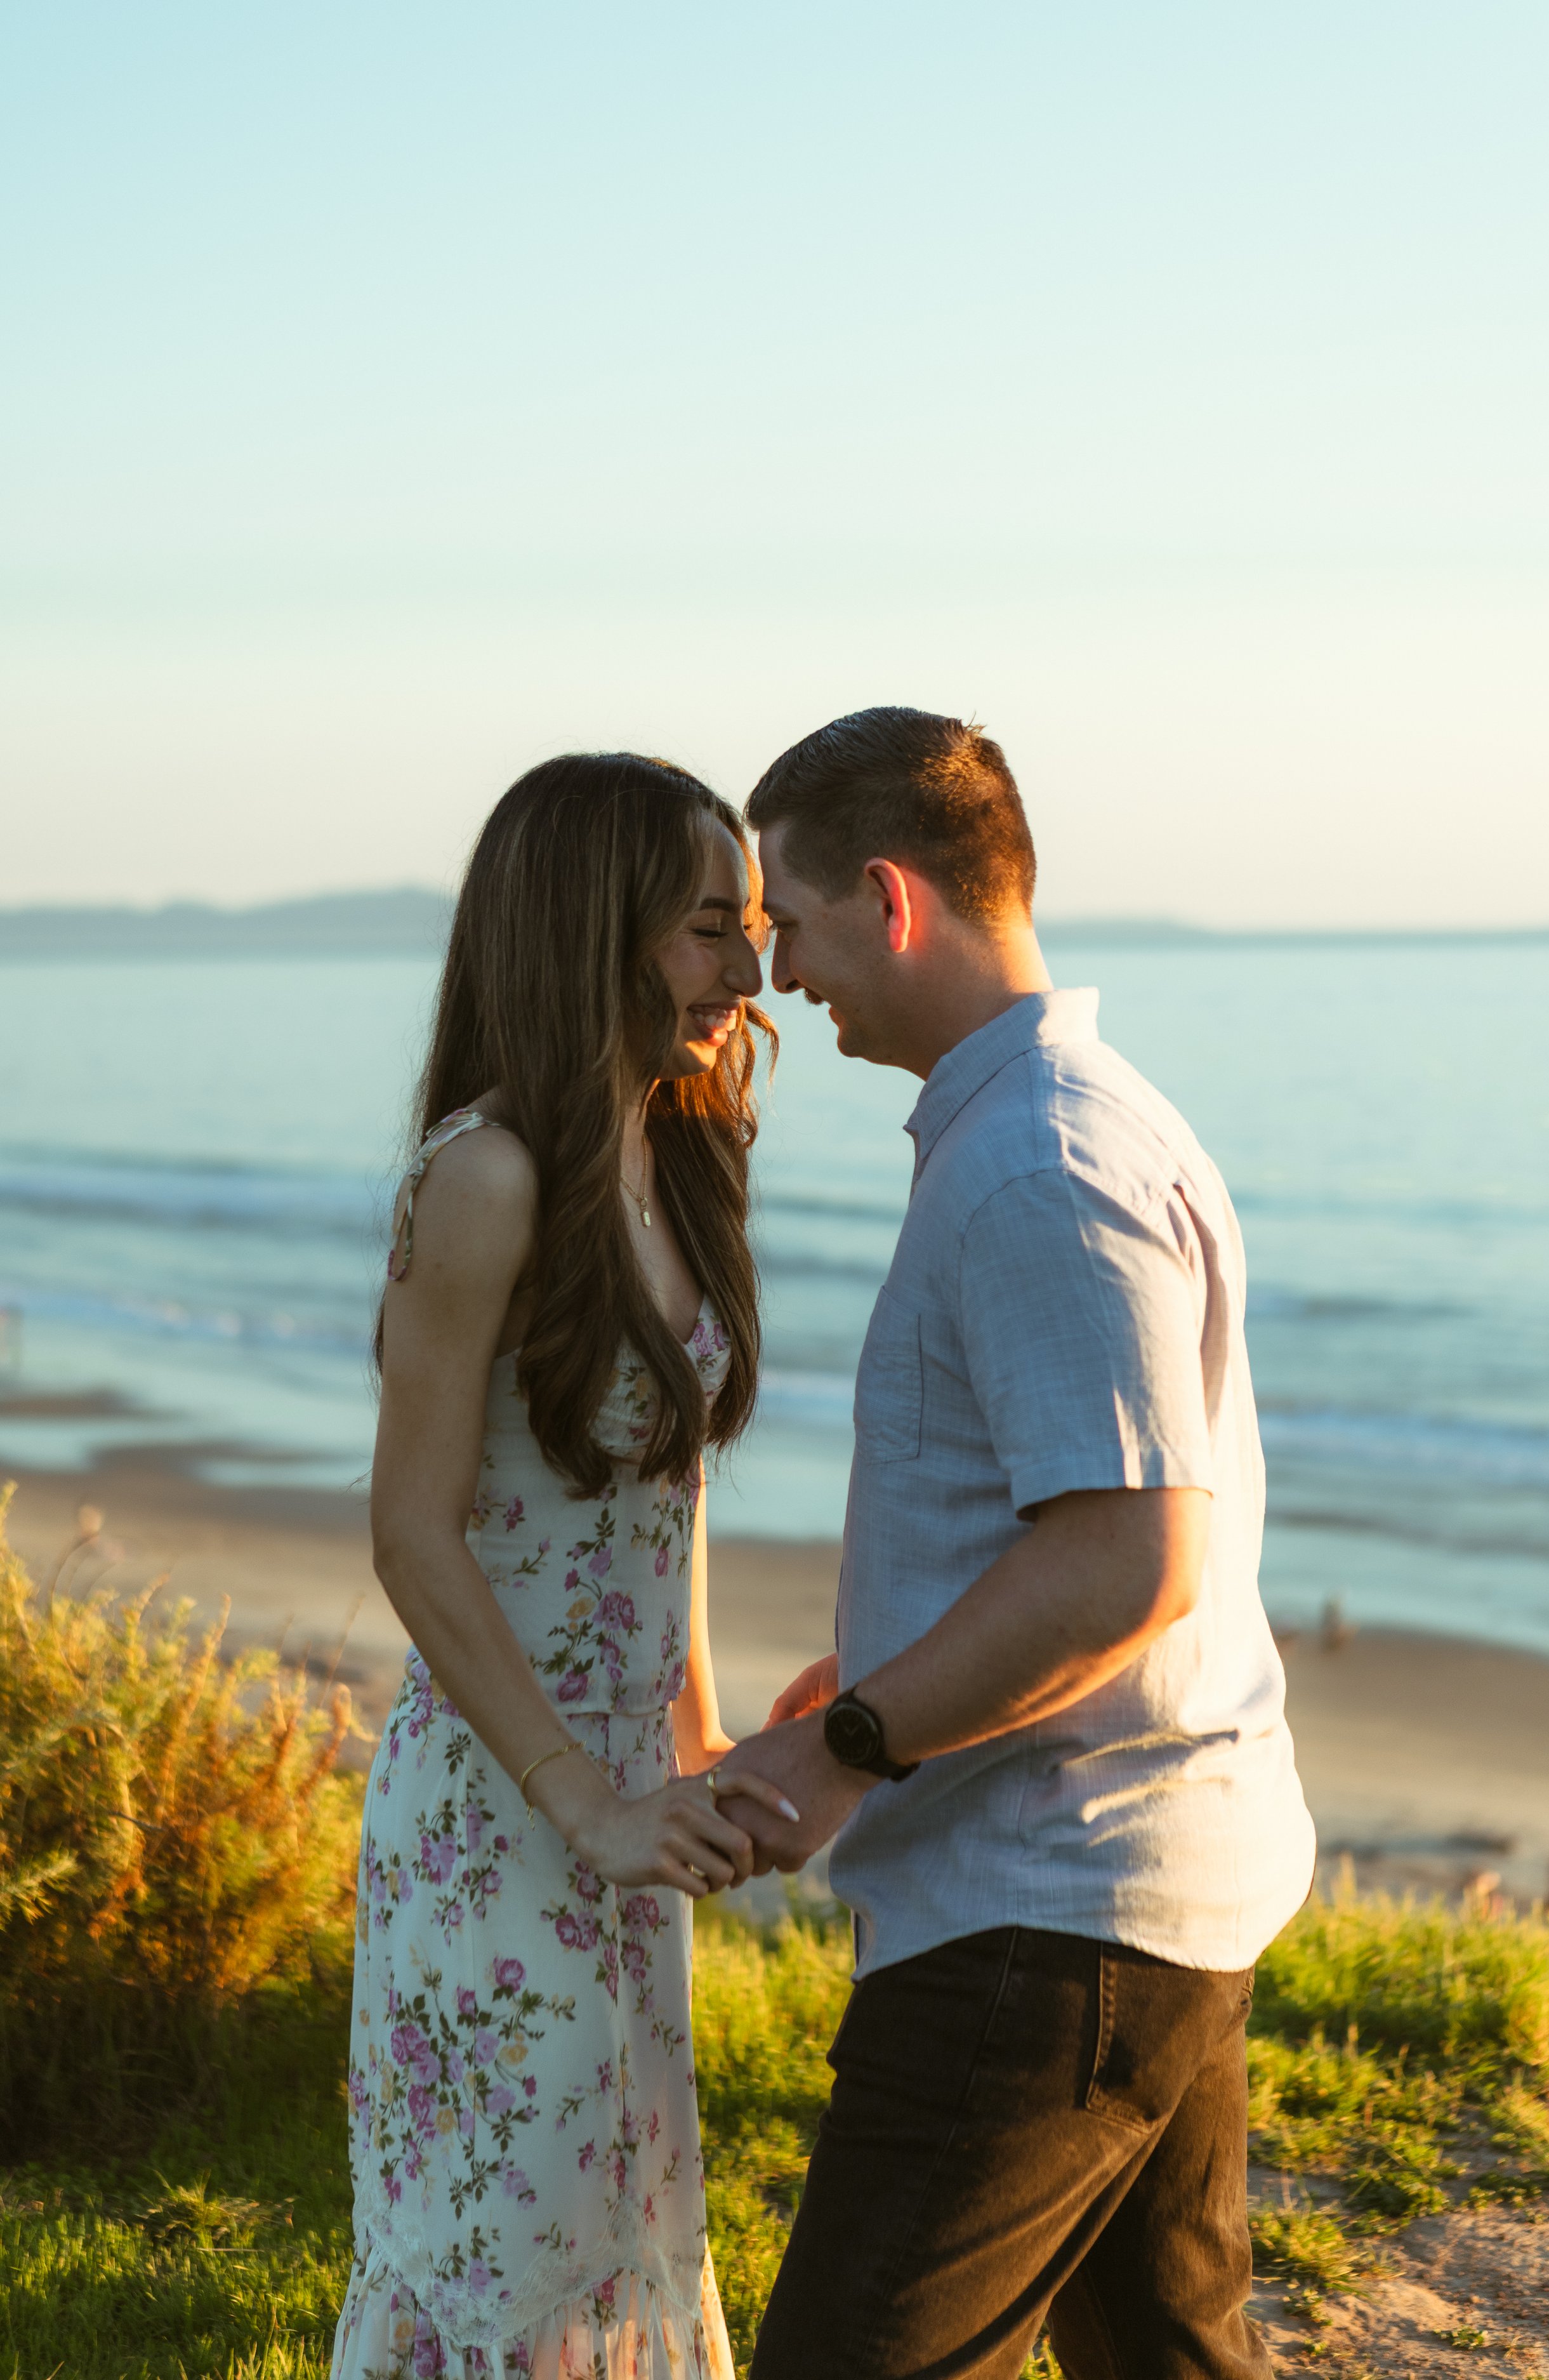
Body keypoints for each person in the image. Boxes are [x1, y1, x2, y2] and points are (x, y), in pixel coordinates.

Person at [717, 708, 1317, 2380]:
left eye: (790, 917)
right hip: (1129, 1871)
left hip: (1048, 1912)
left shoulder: (1039, 1162)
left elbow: (1129, 1560)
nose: (774, 971)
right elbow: (1053, 1515)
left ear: (891, 902)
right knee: (1166, 2351)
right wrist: (880, 1661)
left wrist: (852, 1742)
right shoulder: (1057, 1124)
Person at [331, 753, 796, 2380]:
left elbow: (662, 1494)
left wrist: (698, 1745)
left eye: (747, 925)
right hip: (496, 1802)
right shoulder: (486, 1173)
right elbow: (412, 1532)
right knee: (503, 2255)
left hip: (617, 1790)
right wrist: (581, 1796)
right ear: (582, 929)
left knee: (619, 2232)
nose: (750, 971)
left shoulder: (668, 1153)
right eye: (704, 929)